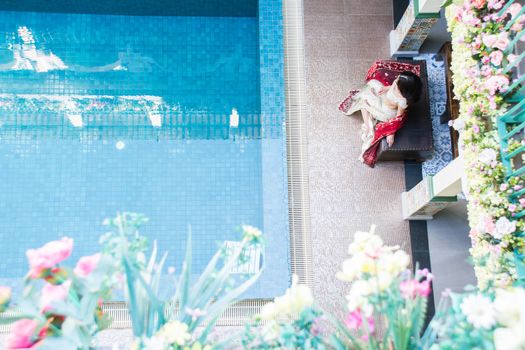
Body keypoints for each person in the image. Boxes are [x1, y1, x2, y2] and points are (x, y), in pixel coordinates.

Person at [339, 63, 422, 167]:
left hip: (386, 111)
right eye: (396, 82)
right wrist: (387, 88)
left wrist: (391, 133)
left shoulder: (402, 101)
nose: (394, 84)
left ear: (403, 94)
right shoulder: (397, 85)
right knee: (372, 85)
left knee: (364, 102)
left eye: (396, 87)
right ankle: (368, 122)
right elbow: (392, 86)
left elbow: (398, 118)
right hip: (384, 98)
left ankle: (369, 126)